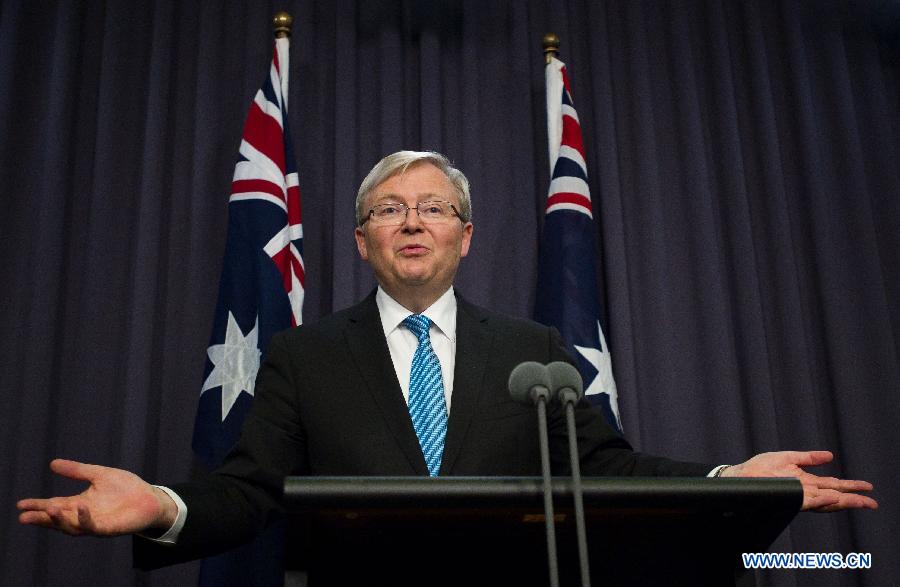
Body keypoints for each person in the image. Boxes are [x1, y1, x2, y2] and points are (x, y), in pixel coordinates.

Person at [18, 151, 877, 568]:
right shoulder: (304, 356)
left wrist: (732, 479)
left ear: (467, 236)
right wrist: (162, 504)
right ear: (361, 240)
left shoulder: (534, 353)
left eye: (435, 207)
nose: (413, 220)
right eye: (389, 209)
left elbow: (609, 470)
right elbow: (248, 490)